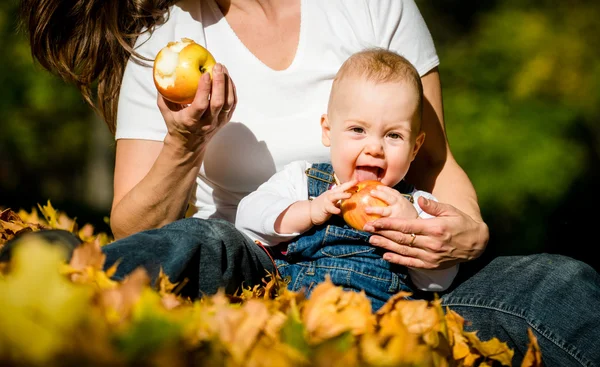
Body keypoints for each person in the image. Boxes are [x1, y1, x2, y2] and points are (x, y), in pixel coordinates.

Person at [15, 0, 600, 365]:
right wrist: (185, 143)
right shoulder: (164, 40)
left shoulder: (374, 5)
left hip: (395, 271)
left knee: (565, 282)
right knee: (196, 239)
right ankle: (61, 273)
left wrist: (466, 233)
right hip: (254, 257)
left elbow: (437, 162)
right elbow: (134, 221)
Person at [235, 49, 459, 311]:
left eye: (393, 136)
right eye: (358, 130)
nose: (375, 147)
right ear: (328, 131)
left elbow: (439, 282)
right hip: (302, 315)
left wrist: (410, 229)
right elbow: (246, 219)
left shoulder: (420, 206)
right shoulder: (302, 181)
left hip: (381, 327)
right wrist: (309, 211)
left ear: (415, 147)